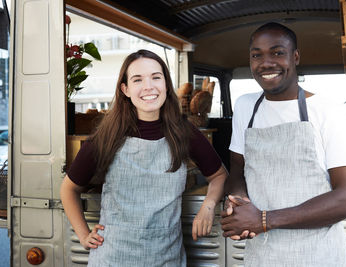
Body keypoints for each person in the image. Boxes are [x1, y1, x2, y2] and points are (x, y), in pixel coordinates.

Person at [60, 49, 227, 267]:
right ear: (125, 89)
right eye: (138, 80)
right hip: (113, 258)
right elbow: (68, 189)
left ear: (166, 85)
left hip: (166, 258)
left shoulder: (184, 132)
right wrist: (83, 234)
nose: (148, 86)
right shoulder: (106, 136)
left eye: (156, 77)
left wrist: (208, 205)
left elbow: (220, 175)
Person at [221, 22, 346, 266]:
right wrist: (237, 202)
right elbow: (237, 168)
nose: (266, 63)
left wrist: (263, 220)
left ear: (295, 57)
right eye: (257, 55)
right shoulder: (246, 107)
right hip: (262, 256)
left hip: (319, 255)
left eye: (277, 52)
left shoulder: (330, 112)